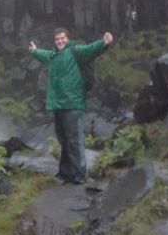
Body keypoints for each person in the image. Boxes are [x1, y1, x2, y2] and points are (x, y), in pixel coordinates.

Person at [29, 28, 114, 184]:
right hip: (58, 105)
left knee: (75, 141)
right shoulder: (53, 56)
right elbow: (43, 55)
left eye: (62, 38)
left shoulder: (75, 51)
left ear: (67, 39)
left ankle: (79, 176)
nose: (60, 41)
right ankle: (65, 173)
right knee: (64, 141)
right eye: (57, 39)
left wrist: (104, 42)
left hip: (73, 105)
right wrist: (34, 51)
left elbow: (91, 49)